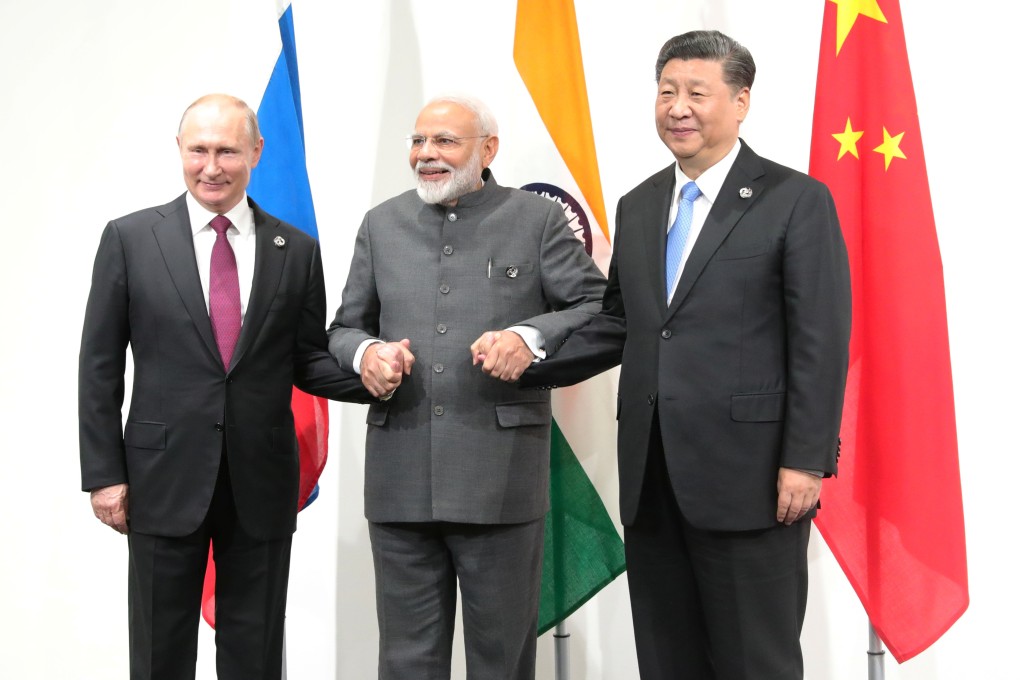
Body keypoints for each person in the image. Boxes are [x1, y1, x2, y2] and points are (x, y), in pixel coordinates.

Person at [514, 31, 852, 679]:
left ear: (741, 100)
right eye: (667, 91)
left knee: (756, 660)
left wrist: (805, 460)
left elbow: (820, 339)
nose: (678, 107)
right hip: (652, 480)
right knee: (667, 660)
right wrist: (526, 349)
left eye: (697, 92)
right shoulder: (639, 206)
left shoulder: (794, 199)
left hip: (754, 481)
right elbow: (620, 326)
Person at [78, 93, 369, 680]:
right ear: (180, 152)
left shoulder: (296, 249)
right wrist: (104, 474)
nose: (211, 166)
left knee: (256, 656)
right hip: (160, 481)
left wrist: (372, 374)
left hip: (259, 484)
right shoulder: (130, 239)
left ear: (256, 152)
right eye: (199, 150)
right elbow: (100, 365)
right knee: (161, 654)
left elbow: (307, 360)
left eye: (228, 151)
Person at [327, 95, 606, 680]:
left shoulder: (537, 219)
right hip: (399, 478)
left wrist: (530, 336)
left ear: (488, 149)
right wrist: (365, 353)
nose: (427, 154)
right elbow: (345, 326)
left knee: (501, 662)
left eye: (445, 142)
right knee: (405, 663)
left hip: (500, 477)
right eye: (418, 141)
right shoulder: (382, 224)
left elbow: (598, 305)